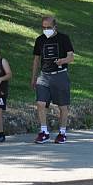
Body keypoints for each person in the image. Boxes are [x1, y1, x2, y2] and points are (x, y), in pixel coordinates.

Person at [31, 16, 74, 144]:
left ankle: (62, 133)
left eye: (48, 27)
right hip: (44, 76)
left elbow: (71, 57)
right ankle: (44, 132)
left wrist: (63, 61)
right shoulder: (40, 40)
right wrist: (33, 77)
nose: (45, 30)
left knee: (63, 106)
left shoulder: (63, 38)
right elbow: (36, 60)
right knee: (40, 103)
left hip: (60, 75)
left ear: (55, 27)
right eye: (43, 27)